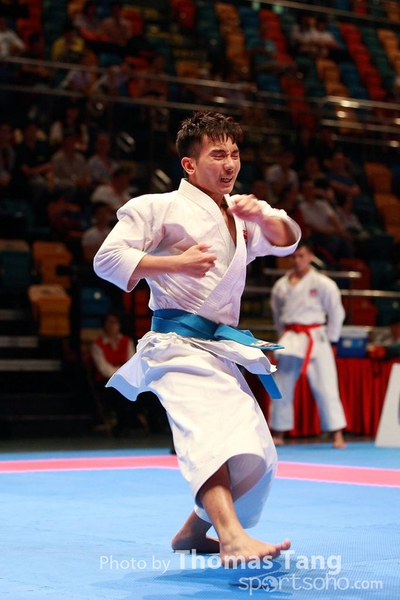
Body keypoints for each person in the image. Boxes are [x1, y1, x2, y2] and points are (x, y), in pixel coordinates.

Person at [94, 110, 300, 566]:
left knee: (256, 449)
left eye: (235, 154)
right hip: (175, 345)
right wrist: (175, 264)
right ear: (189, 164)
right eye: (217, 155)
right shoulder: (158, 207)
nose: (230, 164)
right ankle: (232, 537)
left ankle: (191, 532)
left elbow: (287, 239)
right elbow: (106, 259)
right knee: (210, 438)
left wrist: (262, 215)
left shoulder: (238, 213)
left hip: (217, 349)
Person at [269, 239, 347, 449]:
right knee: (282, 385)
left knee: (326, 385)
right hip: (290, 337)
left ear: (311, 257)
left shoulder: (323, 283)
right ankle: (278, 432)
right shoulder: (280, 286)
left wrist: (332, 338)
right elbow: (277, 315)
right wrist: (282, 335)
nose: (297, 260)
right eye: (293, 256)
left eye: (301, 256)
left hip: (316, 337)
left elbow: (336, 313)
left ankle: (337, 433)